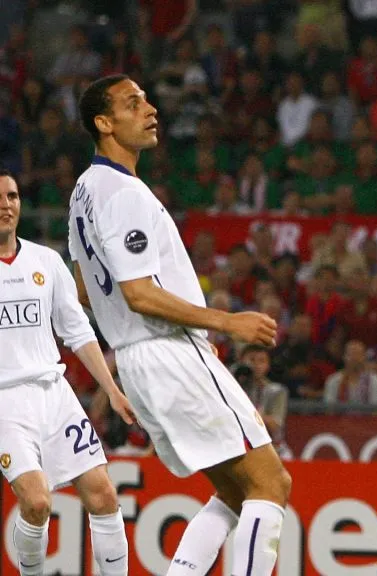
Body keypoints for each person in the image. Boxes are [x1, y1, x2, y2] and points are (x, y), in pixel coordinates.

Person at [69, 75, 291, 576]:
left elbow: (83, 289)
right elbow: (139, 293)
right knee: (270, 483)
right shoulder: (123, 193)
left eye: (147, 101)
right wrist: (226, 322)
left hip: (138, 360)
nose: (150, 110)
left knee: (234, 491)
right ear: (104, 123)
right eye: (133, 104)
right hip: (167, 351)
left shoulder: (83, 191)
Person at [0, 169, 134, 576]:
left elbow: (77, 331)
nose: (6, 205)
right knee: (37, 503)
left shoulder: (46, 261)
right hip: (6, 403)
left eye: (12, 196)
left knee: (104, 495)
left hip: (55, 395)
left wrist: (112, 390)